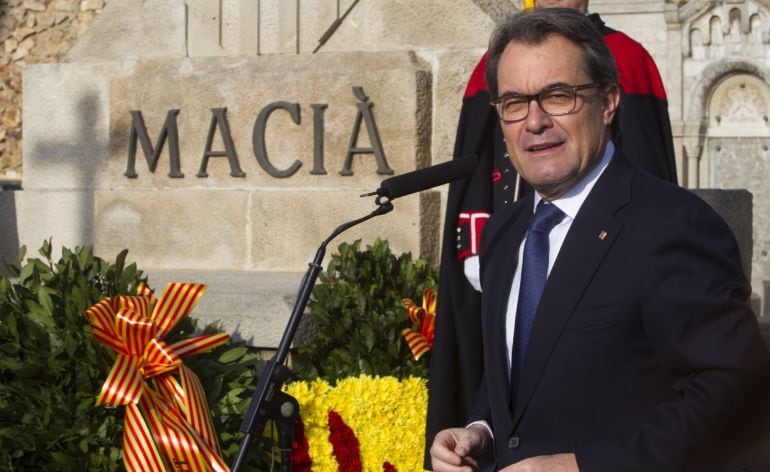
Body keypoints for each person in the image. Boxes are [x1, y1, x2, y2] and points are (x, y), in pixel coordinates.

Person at [429, 8, 769, 471]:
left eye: (558, 96)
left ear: (608, 102)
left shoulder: (673, 227)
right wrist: (481, 431)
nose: (534, 122)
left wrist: (583, 465)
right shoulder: (504, 234)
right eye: (513, 103)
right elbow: (517, 379)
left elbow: (735, 391)